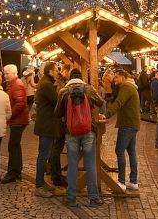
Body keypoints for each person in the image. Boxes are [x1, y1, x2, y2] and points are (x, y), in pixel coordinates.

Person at [54, 68, 104, 207]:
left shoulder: (64, 91)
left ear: (70, 78)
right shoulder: (88, 89)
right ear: (82, 78)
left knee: (73, 165)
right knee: (90, 164)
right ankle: (94, 198)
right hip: (88, 131)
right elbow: (101, 102)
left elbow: (57, 112)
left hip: (71, 132)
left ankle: (71, 198)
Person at [106, 70, 140, 192]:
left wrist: (107, 114)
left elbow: (118, 103)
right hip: (132, 123)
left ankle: (121, 182)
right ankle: (133, 181)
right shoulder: (130, 86)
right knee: (131, 152)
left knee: (119, 151)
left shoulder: (126, 87)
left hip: (127, 124)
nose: (114, 79)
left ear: (123, 77)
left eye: (116, 77)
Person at [33, 61, 60, 197]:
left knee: (44, 154)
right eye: (56, 70)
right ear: (50, 72)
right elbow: (58, 102)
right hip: (46, 125)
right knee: (43, 155)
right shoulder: (47, 85)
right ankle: (39, 185)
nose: (58, 72)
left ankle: (42, 183)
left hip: (46, 124)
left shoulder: (46, 83)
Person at [1, 64, 28, 183]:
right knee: (15, 146)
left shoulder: (17, 85)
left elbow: (20, 104)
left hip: (18, 120)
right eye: (4, 73)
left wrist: (9, 115)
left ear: (14, 73)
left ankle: (13, 172)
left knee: (13, 146)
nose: (5, 75)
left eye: (7, 73)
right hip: (17, 120)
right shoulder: (14, 84)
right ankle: (16, 172)